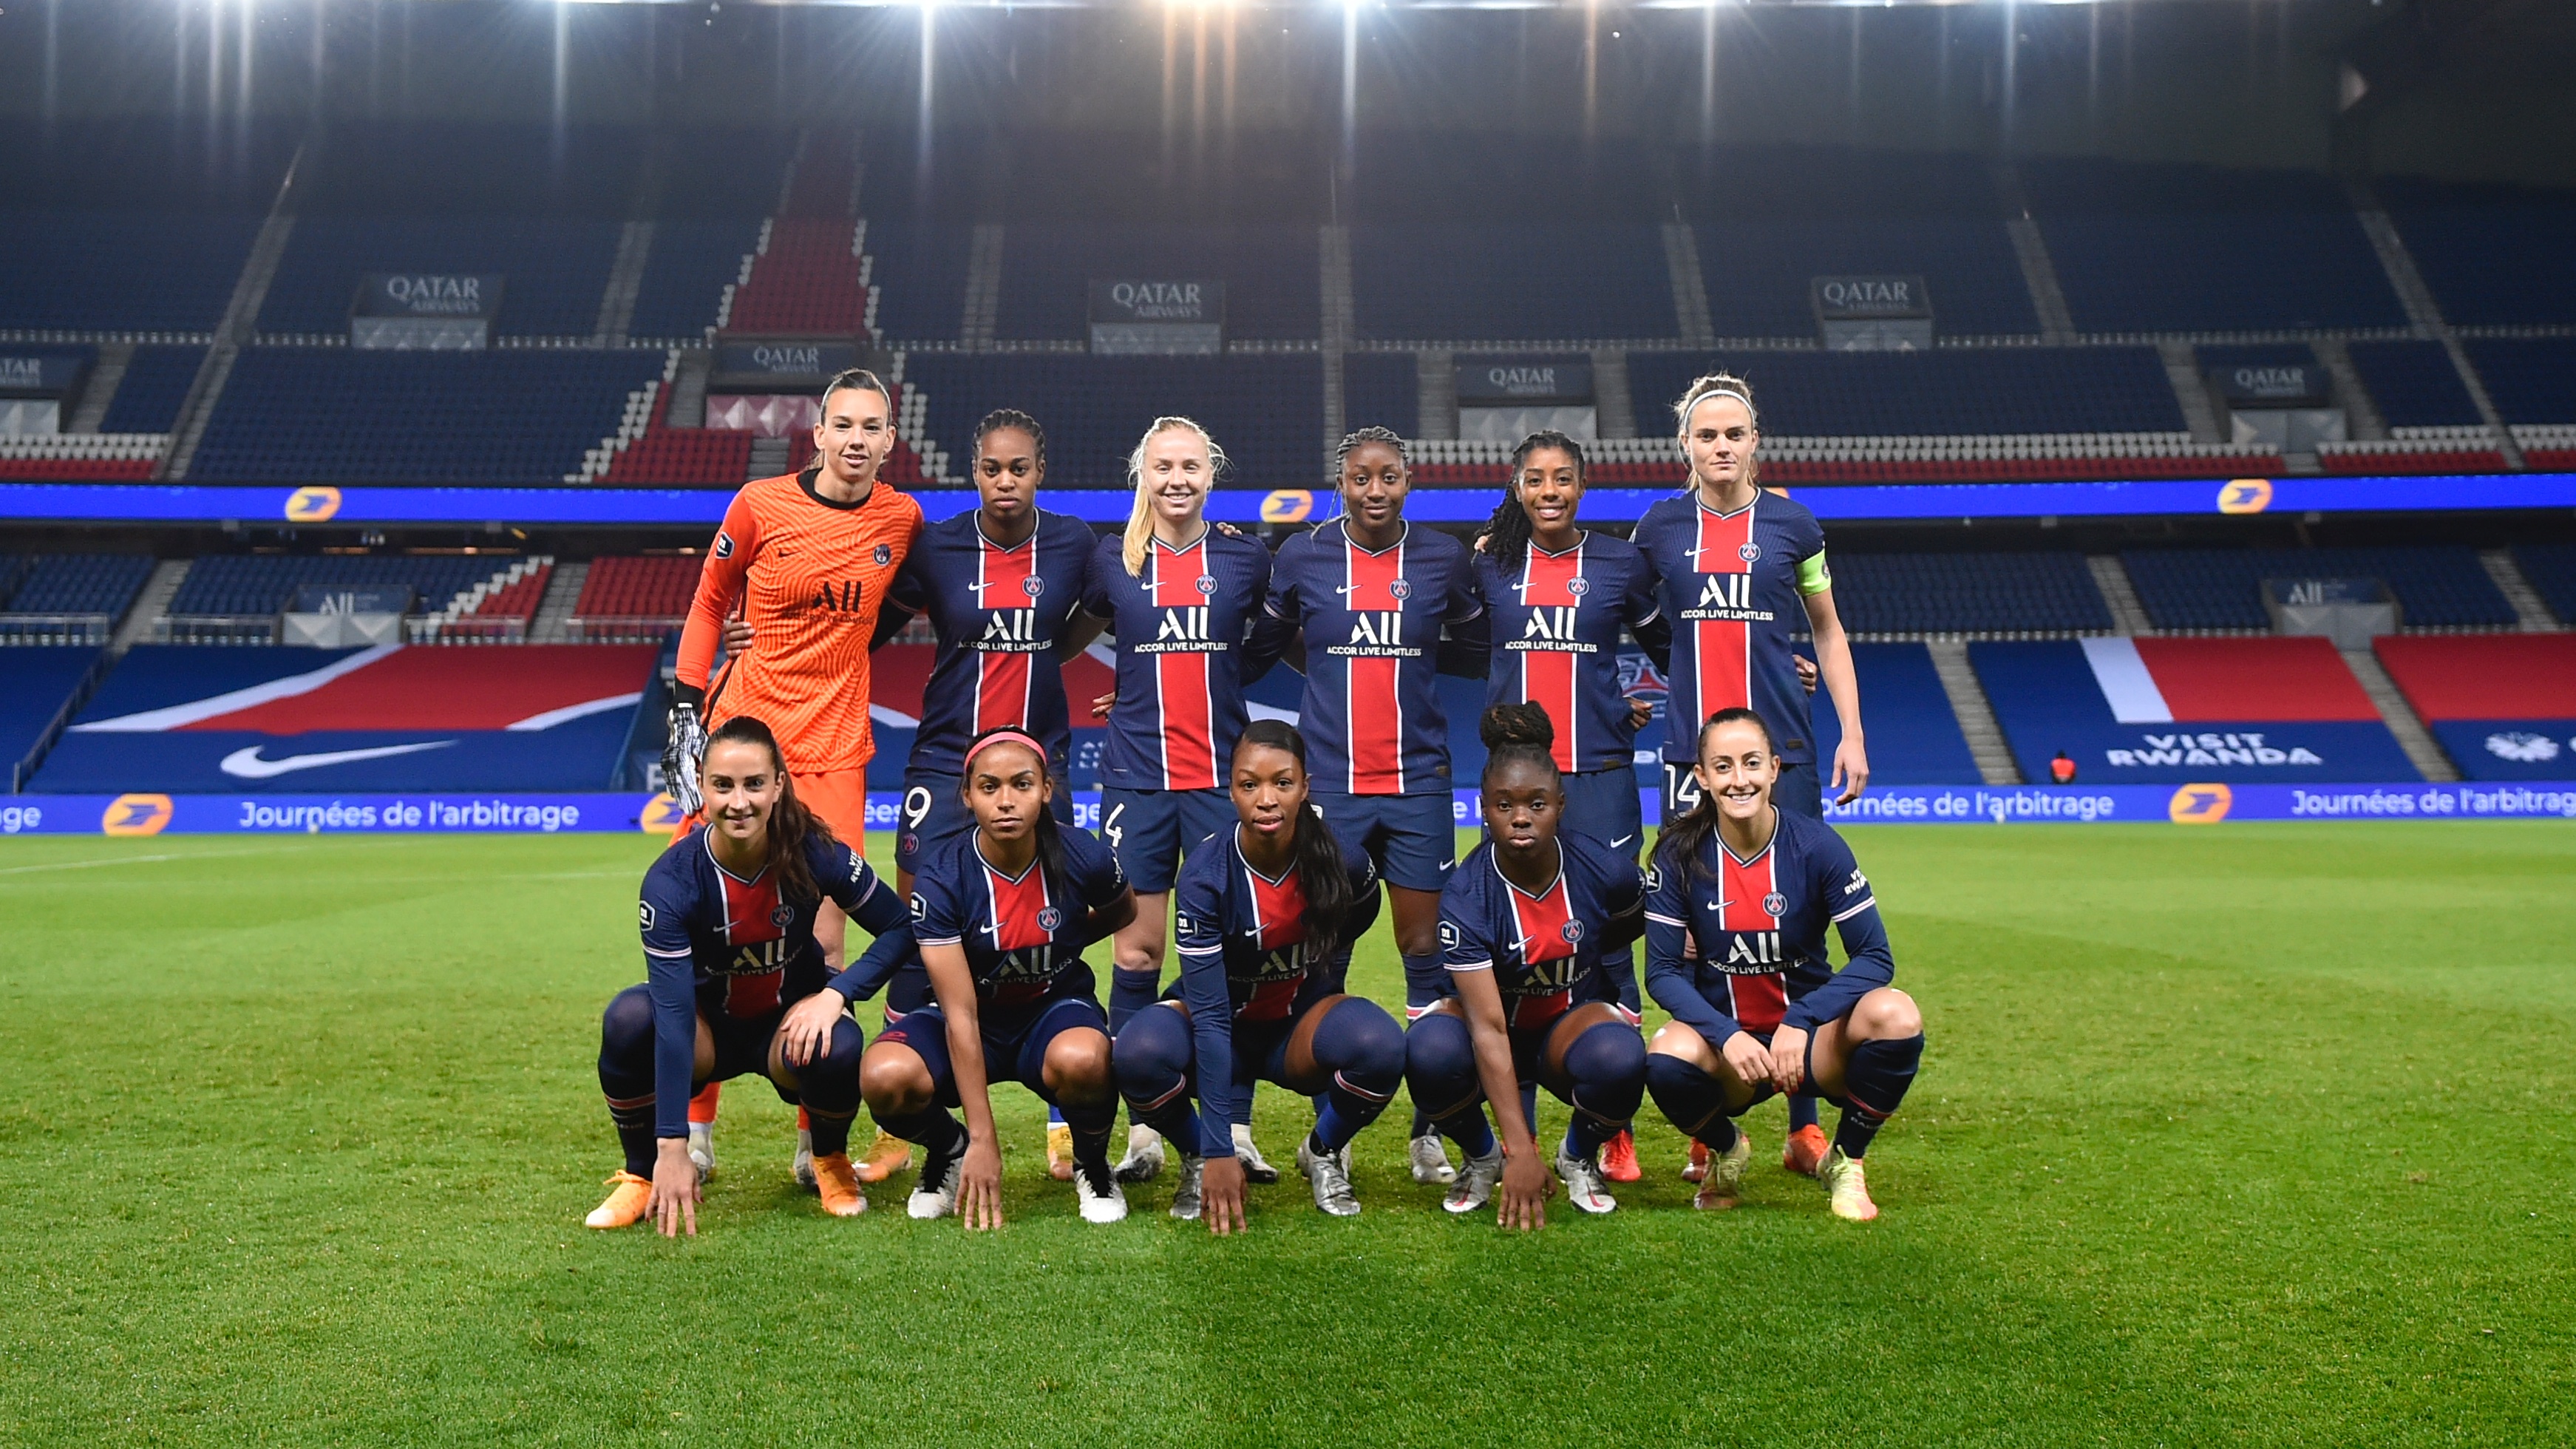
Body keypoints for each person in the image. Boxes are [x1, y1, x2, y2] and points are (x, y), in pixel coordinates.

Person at [666, 367, 923, 1190]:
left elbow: (898, 606)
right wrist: (686, 703)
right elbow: (710, 600)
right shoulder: (759, 503)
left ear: (890, 440)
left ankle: (819, 1139)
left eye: (871, 426)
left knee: (827, 941)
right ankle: (695, 1131)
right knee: (713, 928)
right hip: (747, 737)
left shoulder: (902, 518)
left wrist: (842, 651)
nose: (856, 439)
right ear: (817, 434)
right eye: (842, 424)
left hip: (835, 748)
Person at [855, 409, 1104, 1187]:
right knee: (914, 925)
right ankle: (904, 1127)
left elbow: (1109, 609)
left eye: (1019, 468)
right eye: (992, 468)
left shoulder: (1073, 543)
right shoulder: (936, 546)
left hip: (1037, 762)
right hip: (942, 760)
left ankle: (1063, 1118)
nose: (1005, 481)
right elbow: (865, 627)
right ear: (974, 471)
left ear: (1040, 471)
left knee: (1052, 919)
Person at [1631, 371, 1865, 1183]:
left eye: (1734, 433)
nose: (1721, 446)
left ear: (1755, 440)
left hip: (1785, 751)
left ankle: (1804, 1124)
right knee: (1696, 930)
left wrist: (1851, 732)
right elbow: (1619, 607)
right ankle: (1709, 1119)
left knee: (1797, 924)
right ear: (1684, 445)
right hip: (1690, 760)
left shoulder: (1795, 526)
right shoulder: (1658, 526)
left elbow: (1827, 632)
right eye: (1706, 435)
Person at [1246, 426, 1487, 1188]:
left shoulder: (1442, 558)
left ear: (1407, 481)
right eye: (1360, 477)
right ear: (1340, 483)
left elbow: (1482, 648)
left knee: (1426, 953)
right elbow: (1261, 648)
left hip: (1417, 782)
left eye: (1388, 477)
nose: (1374, 490)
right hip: (1331, 785)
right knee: (1327, 953)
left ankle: (1429, 1132)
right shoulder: (1303, 555)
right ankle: (1334, 1134)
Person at [586, 716, 915, 1233]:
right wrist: (671, 1144)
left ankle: (828, 1160)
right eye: (723, 785)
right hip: (705, 1031)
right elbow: (673, 1014)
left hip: (787, 1031)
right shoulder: (672, 881)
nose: (739, 802)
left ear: (778, 785)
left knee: (840, 1039)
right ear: (702, 786)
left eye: (754, 784)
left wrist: (836, 993)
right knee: (630, 1019)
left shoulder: (815, 851)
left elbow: (901, 927)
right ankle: (642, 1173)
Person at [1077, 417, 1281, 1186]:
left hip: (1220, 786)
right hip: (1136, 780)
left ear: (1211, 472)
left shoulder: (1242, 556)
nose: (1176, 480)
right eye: (1163, 466)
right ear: (1142, 473)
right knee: (1135, 953)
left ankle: (1236, 1127)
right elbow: (1077, 632)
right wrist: (1131, 689)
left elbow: (1266, 642)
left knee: (1232, 958)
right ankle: (1144, 1130)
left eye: (1190, 466)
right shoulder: (1112, 558)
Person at [1470, 429, 1668, 1182]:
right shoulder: (1490, 563)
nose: (1548, 491)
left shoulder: (1620, 562)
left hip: (1600, 776)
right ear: (1517, 487)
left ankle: (1613, 1127)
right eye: (1534, 479)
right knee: (1510, 942)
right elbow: (1453, 646)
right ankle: (1512, 1128)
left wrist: (1775, 664)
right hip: (1515, 783)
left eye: (1561, 478)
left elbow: (1671, 647)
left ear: (1581, 486)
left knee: (1612, 939)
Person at [1112, 721, 1403, 1229]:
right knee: (1136, 1054)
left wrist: (1325, 985)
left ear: (1305, 787)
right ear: (1231, 791)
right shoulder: (1205, 875)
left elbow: (1356, 916)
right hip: (1216, 1024)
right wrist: (1217, 1147)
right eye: (1250, 785)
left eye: (1282, 783)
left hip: (1296, 1030)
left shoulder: (1344, 859)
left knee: (1380, 1046)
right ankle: (1195, 1157)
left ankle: (1323, 1150)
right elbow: (1208, 1016)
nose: (1266, 800)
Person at [1641, 709, 1925, 1221]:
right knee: (1665, 1055)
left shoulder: (1817, 846)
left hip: (1812, 1044)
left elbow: (1875, 957)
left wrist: (1802, 1017)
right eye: (1723, 767)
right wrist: (1726, 1034)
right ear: (1701, 777)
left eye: (1751, 763)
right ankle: (1727, 1149)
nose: (1739, 779)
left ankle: (1845, 1159)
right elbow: (1660, 972)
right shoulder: (1678, 855)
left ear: (1774, 768)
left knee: (1896, 1015)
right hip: (1733, 1052)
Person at [858, 728, 1137, 1226]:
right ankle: (949, 1149)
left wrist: (1065, 941)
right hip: (970, 1018)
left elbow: (1123, 910)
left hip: (1052, 1010)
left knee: (1085, 1059)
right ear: (968, 795)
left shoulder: (1083, 854)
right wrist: (982, 1139)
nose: (1006, 801)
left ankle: (1092, 1164)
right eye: (989, 787)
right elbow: (961, 1014)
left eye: (1022, 784)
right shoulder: (942, 875)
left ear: (1046, 790)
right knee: (885, 1077)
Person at [1407, 705, 1648, 1226]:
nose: (1520, 817)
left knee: (1622, 1056)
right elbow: (1488, 1028)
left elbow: (1625, 927)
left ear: (1560, 805)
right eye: (1504, 805)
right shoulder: (1466, 896)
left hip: (1566, 1031)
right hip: (1491, 1034)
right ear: (1484, 809)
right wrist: (1518, 1151)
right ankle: (1482, 1157)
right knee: (1428, 1051)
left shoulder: (1605, 871)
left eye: (1536, 803)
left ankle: (1577, 1156)